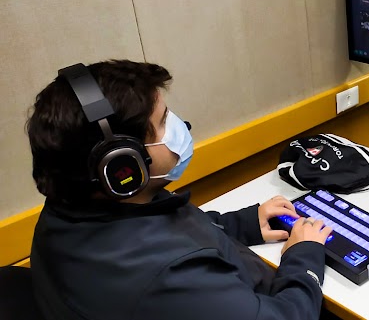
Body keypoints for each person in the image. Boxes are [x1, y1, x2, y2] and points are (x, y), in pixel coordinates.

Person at [28, 60, 332, 320]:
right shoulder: (168, 277)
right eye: (163, 122)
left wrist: (244, 223)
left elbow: (164, 228)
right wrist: (303, 258)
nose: (181, 126)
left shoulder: (71, 209)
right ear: (123, 163)